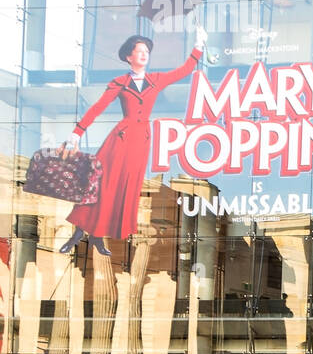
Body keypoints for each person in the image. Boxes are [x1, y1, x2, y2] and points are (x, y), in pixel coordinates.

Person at [59, 25, 206, 255]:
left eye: (147, 50)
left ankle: (97, 237)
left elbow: (185, 69)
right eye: (139, 50)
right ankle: (78, 233)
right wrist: (77, 132)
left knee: (123, 190)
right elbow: (98, 107)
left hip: (140, 142)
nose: (144, 53)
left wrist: (198, 45)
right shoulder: (119, 82)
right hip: (120, 139)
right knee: (100, 185)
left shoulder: (157, 79)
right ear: (129, 57)